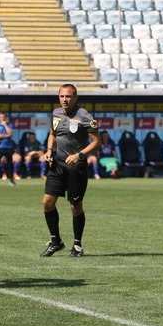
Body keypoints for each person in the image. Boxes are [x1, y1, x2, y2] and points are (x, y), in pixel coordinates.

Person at [40, 84, 101, 257]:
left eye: (68, 96)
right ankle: (56, 241)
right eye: (62, 96)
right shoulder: (56, 113)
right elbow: (53, 133)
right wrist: (49, 150)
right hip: (57, 165)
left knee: (75, 206)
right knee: (47, 203)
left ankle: (77, 245)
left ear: (75, 98)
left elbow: (97, 142)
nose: (65, 100)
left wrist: (79, 155)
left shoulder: (85, 117)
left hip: (76, 167)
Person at [0, 112, 16, 186]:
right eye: (1, 117)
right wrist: (7, 135)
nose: (2, 119)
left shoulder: (9, 125)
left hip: (8, 147)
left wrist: (5, 125)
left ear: (5, 118)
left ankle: (11, 180)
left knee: (10, 164)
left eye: (3, 117)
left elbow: (11, 134)